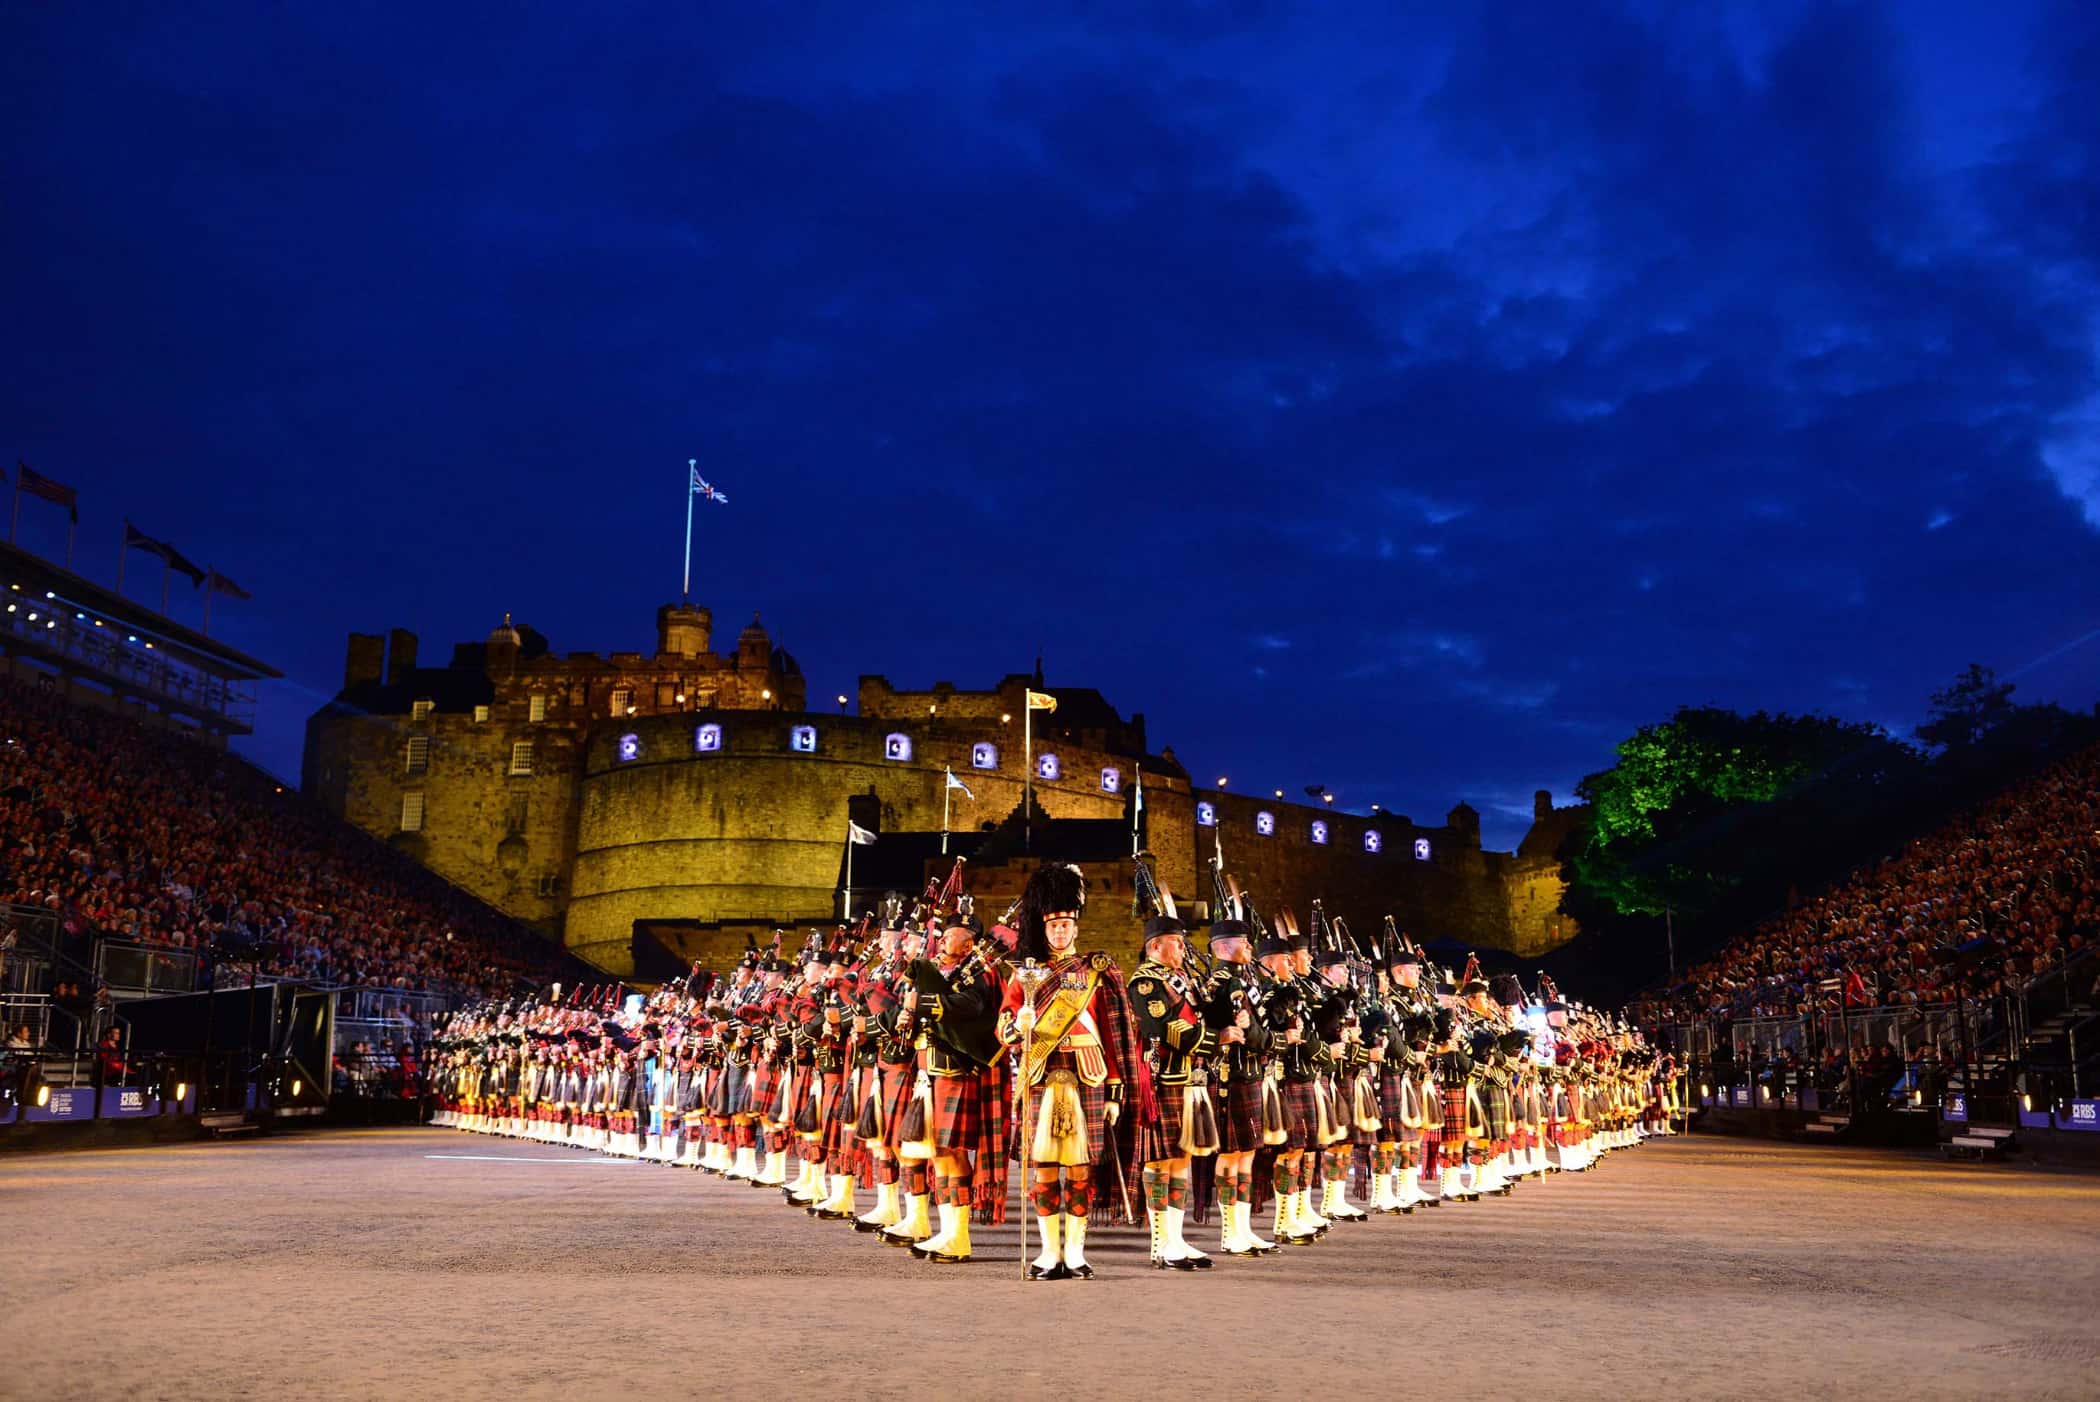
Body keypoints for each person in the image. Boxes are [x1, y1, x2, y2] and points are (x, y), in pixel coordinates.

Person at [997, 863, 1146, 1281]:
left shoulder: (1095, 972)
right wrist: (1018, 1026)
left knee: (1082, 1169)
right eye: (1054, 925)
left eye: (1066, 924)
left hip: (1089, 1075)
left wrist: (1116, 1092)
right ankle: (1048, 1253)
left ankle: (1075, 1252)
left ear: (1076, 928)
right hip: (1041, 1074)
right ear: (1043, 928)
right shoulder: (1024, 973)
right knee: (1044, 1166)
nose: (1060, 932)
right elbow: (1003, 1025)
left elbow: (1117, 1035)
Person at [1129, 901, 1218, 1270]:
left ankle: (1175, 1238)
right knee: (1160, 1160)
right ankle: (1160, 1243)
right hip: (1163, 1077)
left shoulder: (1183, 980)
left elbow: (1199, 1014)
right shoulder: (1145, 982)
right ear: (1155, 946)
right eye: (1176, 943)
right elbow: (1166, 1028)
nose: (1183, 949)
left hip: (1188, 1081)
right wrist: (1215, 1038)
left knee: (1180, 1159)